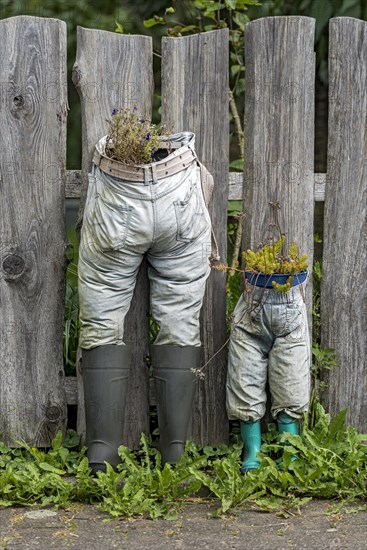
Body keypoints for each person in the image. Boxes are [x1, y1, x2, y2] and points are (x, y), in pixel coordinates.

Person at [78, 132, 214, 473]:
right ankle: (174, 460)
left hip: (117, 191)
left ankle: (101, 461)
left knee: (101, 315)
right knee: (181, 316)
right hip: (179, 184)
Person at [226, 275, 311, 472]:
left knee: (291, 377)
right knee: (244, 373)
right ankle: (252, 451)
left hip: (291, 300)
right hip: (252, 301)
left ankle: (289, 448)